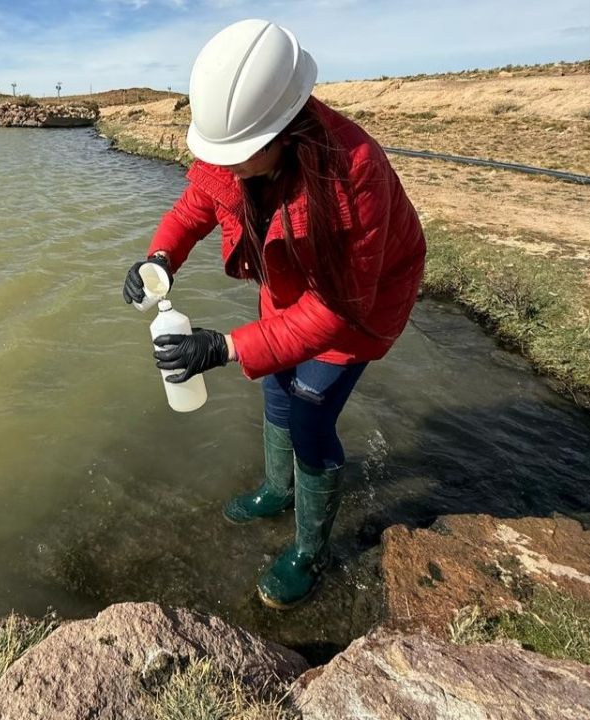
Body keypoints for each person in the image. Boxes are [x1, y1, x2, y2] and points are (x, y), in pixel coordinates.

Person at [122, 19, 426, 609]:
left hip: (357, 306)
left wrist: (225, 347)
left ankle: (311, 550)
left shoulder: (354, 171)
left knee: (311, 414)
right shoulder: (238, 147)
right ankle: (277, 489)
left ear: (285, 131)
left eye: (237, 155)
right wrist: (159, 258)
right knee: (278, 389)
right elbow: (193, 209)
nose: (227, 165)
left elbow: (335, 312)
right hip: (291, 291)